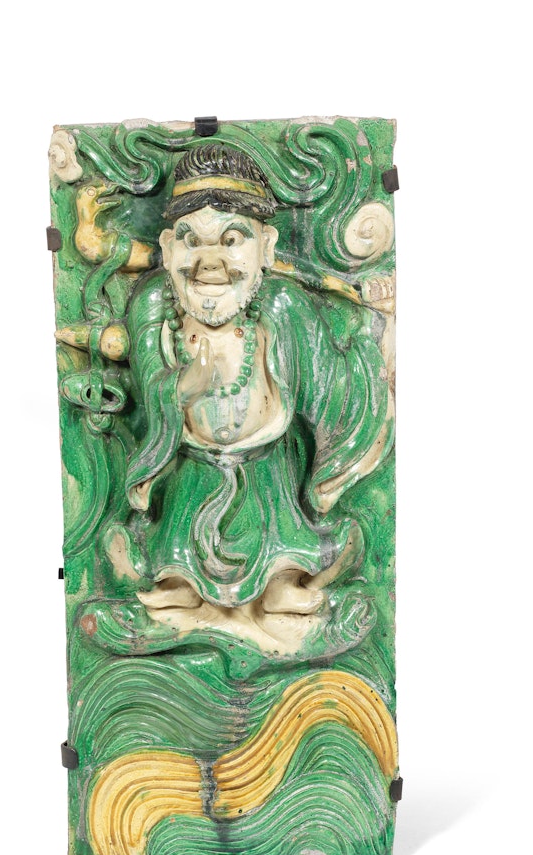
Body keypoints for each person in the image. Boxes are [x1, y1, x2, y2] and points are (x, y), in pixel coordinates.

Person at [103, 144, 393, 651]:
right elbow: (150, 388)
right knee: (171, 564)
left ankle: (280, 580)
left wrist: (379, 330)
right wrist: (181, 388)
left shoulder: (283, 305)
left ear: (267, 246)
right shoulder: (156, 305)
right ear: (167, 249)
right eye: (190, 241)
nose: (209, 263)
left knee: (284, 565)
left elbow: (332, 387)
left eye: (232, 240)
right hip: (191, 472)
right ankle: (184, 581)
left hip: (268, 473)